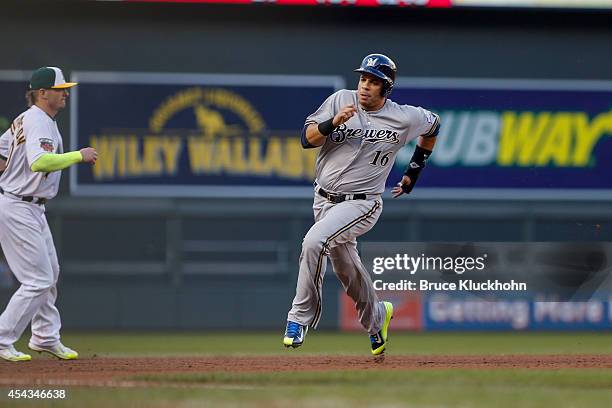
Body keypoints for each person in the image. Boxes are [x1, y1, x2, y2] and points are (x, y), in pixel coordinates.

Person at [283, 54, 440, 356]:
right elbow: (307, 138)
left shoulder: (404, 117)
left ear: (387, 88)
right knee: (348, 271)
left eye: (374, 82)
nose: (365, 86)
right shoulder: (340, 100)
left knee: (314, 241)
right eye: (363, 79)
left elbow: (433, 126)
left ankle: (298, 318)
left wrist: (413, 172)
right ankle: (378, 318)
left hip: (362, 204)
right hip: (323, 200)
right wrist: (333, 122)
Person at [0, 67, 98, 362]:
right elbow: (41, 162)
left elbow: (2, 152)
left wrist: (10, 168)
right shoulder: (38, 120)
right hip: (18, 205)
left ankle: (44, 337)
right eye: (60, 89)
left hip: (30, 205)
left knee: (49, 275)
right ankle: (3, 338)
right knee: (38, 280)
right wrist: (78, 156)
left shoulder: (28, 119)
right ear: (42, 93)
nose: (65, 93)